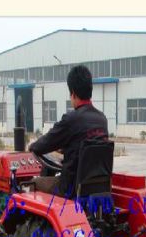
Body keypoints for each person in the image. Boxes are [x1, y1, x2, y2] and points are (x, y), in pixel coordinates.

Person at [28, 65, 108, 197]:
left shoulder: (71, 120)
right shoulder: (102, 119)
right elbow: (83, 146)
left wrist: (31, 146)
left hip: (70, 188)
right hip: (97, 188)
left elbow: (43, 145)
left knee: (31, 183)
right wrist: (64, 149)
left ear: (73, 93)